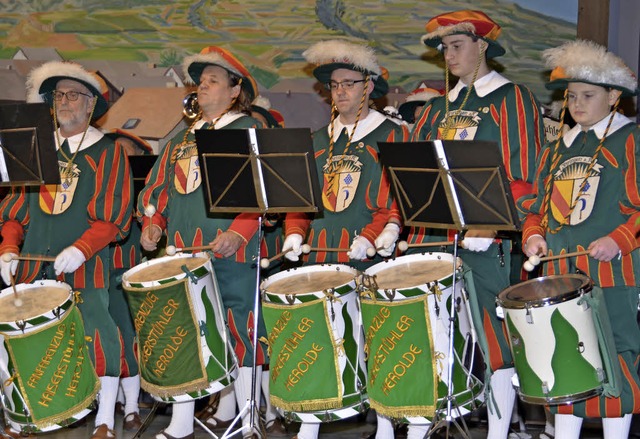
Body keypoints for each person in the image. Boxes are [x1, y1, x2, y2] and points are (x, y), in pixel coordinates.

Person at [407, 10, 545, 439]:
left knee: (495, 340)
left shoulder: (510, 98)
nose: (448, 55)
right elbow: (415, 176)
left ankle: (499, 431)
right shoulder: (434, 110)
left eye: (457, 46)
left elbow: (525, 175)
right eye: (444, 48)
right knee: (433, 336)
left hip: (488, 240)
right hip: (436, 237)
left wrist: (492, 225)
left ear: (482, 46)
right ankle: (426, 423)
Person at [137, 45, 267, 439]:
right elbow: (157, 191)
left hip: (230, 251)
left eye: (213, 81)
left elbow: (262, 192)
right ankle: (180, 423)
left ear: (234, 90)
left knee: (237, 329)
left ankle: (247, 419)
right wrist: (153, 225)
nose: (203, 88)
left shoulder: (247, 129)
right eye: (200, 81)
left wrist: (237, 233)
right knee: (187, 333)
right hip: (182, 253)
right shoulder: (183, 138)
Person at [281, 39, 409, 439]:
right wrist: (293, 234)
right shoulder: (317, 140)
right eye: (334, 85)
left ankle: (386, 426)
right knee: (319, 341)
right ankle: (310, 425)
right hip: (319, 258)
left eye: (349, 83)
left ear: (368, 86)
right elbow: (299, 203)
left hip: (368, 257)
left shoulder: (392, 135)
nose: (340, 91)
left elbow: (396, 202)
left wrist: (372, 237)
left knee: (376, 341)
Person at [0, 61, 133, 439]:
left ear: (91, 105)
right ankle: (20, 417)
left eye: (74, 95)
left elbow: (113, 217)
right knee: (17, 338)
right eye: (58, 95)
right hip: (31, 268)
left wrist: (81, 248)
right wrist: (9, 248)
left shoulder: (108, 152)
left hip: (86, 268)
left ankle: (106, 419)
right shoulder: (33, 147)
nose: (64, 102)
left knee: (98, 335)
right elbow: (15, 212)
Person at [519, 39, 640, 439]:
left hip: (612, 274)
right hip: (558, 273)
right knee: (563, 356)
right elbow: (535, 208)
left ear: (614, 97)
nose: (577, 104)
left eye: (588, 96)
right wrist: (534, 236)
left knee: (617, 357)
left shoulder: (630, 141)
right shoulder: (555, 150)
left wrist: (618, 240)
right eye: (571, 96)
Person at [103, 129, 156, 432]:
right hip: (96, 270)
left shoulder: (143, 189)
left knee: (129, 339)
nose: (118, 159)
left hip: (127, 271)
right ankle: (102, 404)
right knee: (101, 341)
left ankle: (132, 407)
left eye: (126, 153)